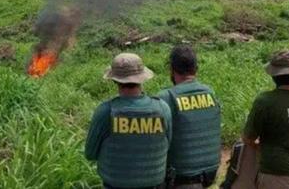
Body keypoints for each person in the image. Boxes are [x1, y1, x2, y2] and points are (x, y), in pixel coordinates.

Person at [85, 53, 172, 189]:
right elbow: (167, 145)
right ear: (142, 79)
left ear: (115, 80)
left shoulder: (105, 111)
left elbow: (90, 154)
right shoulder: (163, 108)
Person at [157, 45, 221, 188]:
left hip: (181, 179)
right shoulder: (210, 92)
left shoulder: (166, 98)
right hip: (209, 175)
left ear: (172, 70)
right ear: (196, 68)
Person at [243, 50, 289, 189]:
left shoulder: (265, 101)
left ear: (274, 76)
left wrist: (259, 147)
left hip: (277, 175)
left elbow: (248, 138)